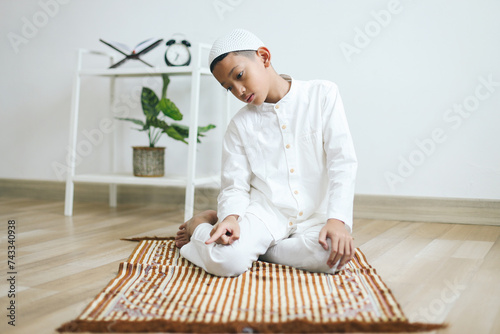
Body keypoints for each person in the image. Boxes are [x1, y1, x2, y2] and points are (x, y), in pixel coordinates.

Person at [175, 28, 357, 277]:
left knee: (333, 256)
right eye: (228, 87)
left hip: (315, 214)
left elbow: (342, 163)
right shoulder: (239, 125)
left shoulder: (322, 95)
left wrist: (337, 220)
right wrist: (229, 217)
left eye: (239, 75)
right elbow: (234, 186)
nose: (238, 90)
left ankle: (254, 251)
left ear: (263, 57)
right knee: (224, 261)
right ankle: (200, 227)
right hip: (265, 213)